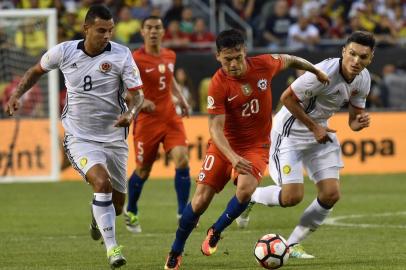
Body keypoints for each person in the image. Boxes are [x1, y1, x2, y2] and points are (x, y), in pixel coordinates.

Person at [164, 29, 329, 270]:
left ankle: (216, 231)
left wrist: (316, 70)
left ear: (245, 52)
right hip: (224, 147)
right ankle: (176, 251)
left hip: (256, 146)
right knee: (199, 202)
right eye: (227, 59)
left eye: (238, 57)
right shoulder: (218, 85)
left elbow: (291, 58)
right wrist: (232, 157)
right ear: (218, 56)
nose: (233, 64)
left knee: (246, 189)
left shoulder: (264, 65)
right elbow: (215, 130)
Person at [5, 5, 144, 269]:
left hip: (115, 137)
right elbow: (36, 71)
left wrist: (132, 113)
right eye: (101, 30)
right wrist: (16, 94)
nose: (107, 35)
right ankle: (113, 249)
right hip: (80, 137)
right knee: (101, 183)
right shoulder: (64, 51)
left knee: (116, 206)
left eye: (110, 30)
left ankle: (97, 217)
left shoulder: (122, 54)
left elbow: (138, 94)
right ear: (86, 28)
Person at [236, 31, 375, 259]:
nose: (356, 61)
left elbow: (353, 119)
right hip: (290, 133)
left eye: (363, 57)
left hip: (319, 132)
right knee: (292, 197)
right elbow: (286, 98)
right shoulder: (322, 73)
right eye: (352, 54)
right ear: (343, 52)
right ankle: (252, 196)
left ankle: (292, 245)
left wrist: (359, 123)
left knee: (331, 194)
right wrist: (314, 127)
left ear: (371, 58)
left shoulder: (364, 78)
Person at [125, 15, 191, 234]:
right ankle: (131, 210)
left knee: (182, 159)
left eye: (157, 28)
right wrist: (142, 101)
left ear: (163, 32)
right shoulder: (135, 59)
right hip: (147, 122)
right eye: (149, 28)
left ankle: (183, 212)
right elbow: (125, 92)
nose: (153, 31)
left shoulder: (170, 55)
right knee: (143, 170)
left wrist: (180, 98)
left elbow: (169, 78)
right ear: (142, 32)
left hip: (171, 117)